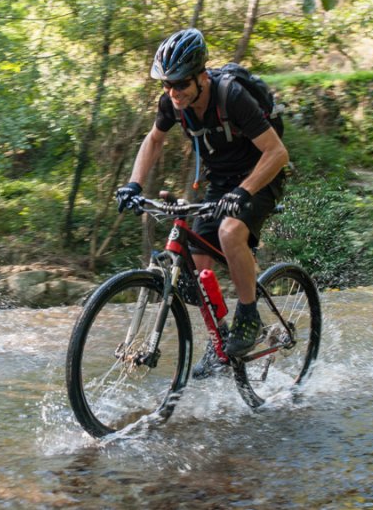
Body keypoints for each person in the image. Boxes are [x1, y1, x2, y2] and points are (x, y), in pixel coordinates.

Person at [115, 28, 289, 379]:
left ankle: (248, 315)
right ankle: (219, 338)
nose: (173, 92)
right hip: (220, 183)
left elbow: (277, 153)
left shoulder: (232, 96)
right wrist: (133, 184)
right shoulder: (172, 104)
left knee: (229, 232)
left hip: (259, 176)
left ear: (201, 76)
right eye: (166, 85)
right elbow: (153, 140)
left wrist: (243, 192)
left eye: (180, 84)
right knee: (196, 266)